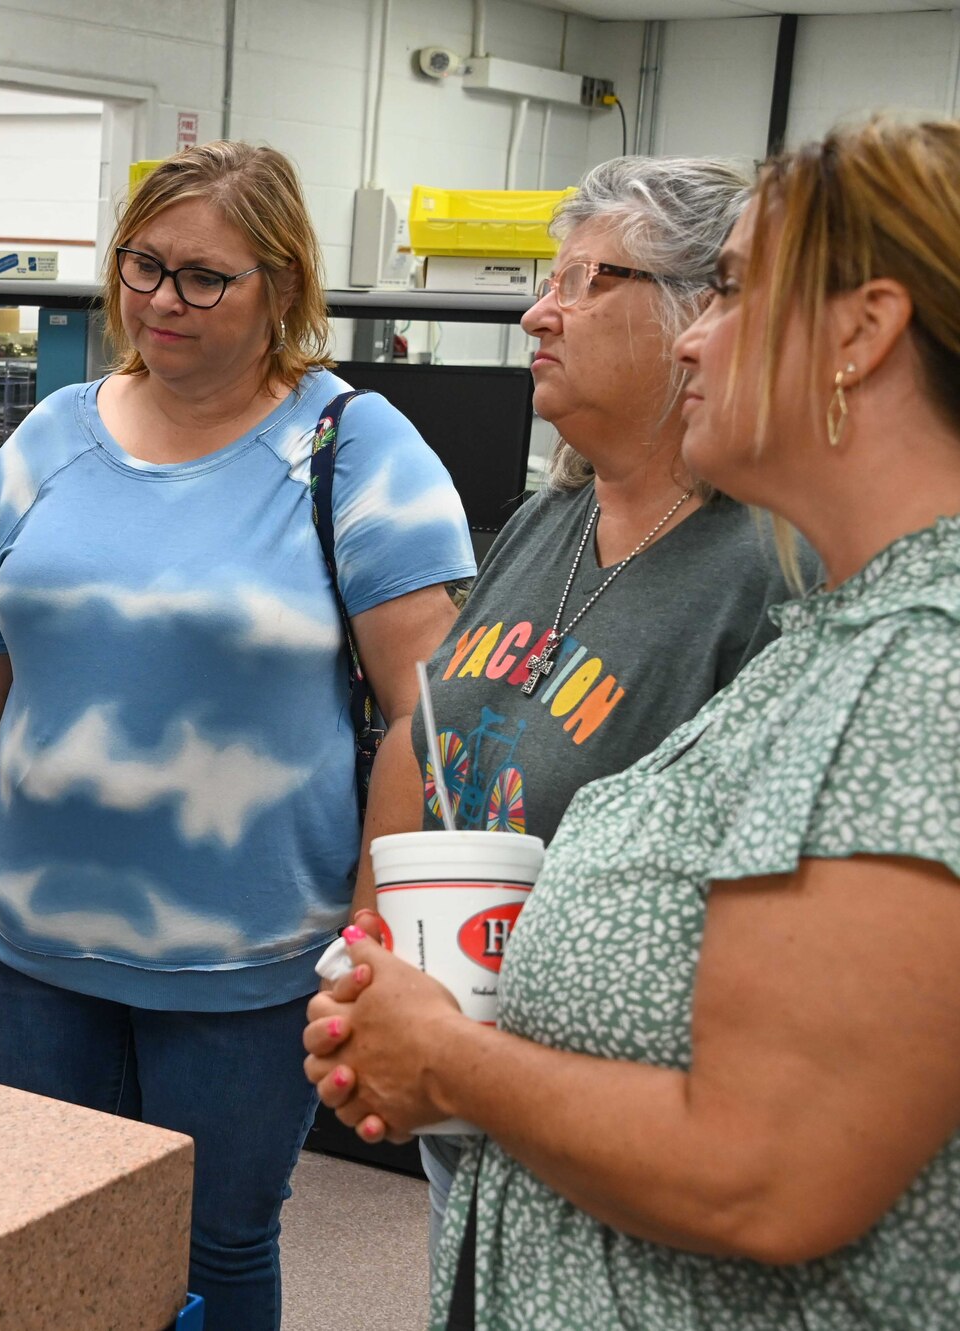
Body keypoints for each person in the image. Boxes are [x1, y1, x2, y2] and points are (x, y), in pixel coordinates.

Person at [306, 116, 960, 1330]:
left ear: (861, 334)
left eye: (726, 290)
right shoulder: (854, 630)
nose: (697, 336)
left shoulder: (919, 664)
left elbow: (765, 1171)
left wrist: (451, 1061)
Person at [0, 141, 476, 1330]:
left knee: (213, 1249)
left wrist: (372, 932)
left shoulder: (349, 450)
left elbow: (428, 710)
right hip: (39, 946)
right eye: (142, 265)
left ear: (280, 287)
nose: (161, 299)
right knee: (40, 1231)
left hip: (249, 960)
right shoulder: (50, 437)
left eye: (204, 277)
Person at [350, 156, 806, 1251]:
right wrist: (370, 954)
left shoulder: (766, 566)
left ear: (698, 314)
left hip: (616, 1113)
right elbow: (423, 729)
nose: (535, 313)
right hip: (467, 1066)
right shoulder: (542, 522)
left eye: (585, 282)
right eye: (545, 280)